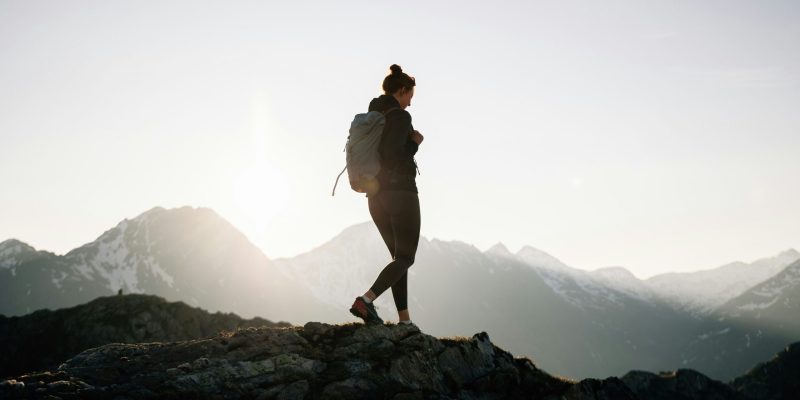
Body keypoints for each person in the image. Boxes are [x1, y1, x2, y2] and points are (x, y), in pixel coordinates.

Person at [349, 64, 424, 326]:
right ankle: (366, 301)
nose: (410, 104)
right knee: (405, 258)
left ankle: (404, 321)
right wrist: (414, 143)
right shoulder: (400, 117)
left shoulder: (373, 115)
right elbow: (393, 155)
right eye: (410, 97)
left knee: (398, 259)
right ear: (402, 91)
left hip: (375, 197)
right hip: (400, 193)